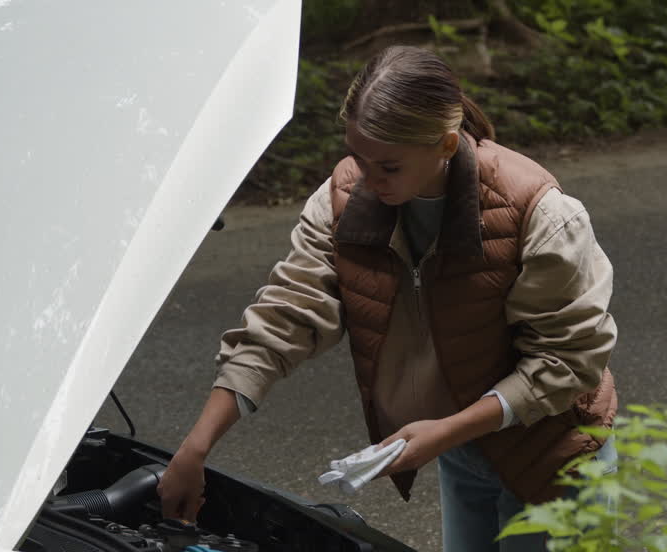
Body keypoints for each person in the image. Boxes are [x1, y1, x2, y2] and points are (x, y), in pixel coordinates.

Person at [158, 45, 618, 551]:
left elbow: (568, 359)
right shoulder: (343, 202)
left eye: (389, 167)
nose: (370, 182)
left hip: (555, 452)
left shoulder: (540, 213)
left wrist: (446, 430)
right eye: (358, 157)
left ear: (445, 145)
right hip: (464, 450)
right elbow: (283, 320)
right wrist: (194, 449)